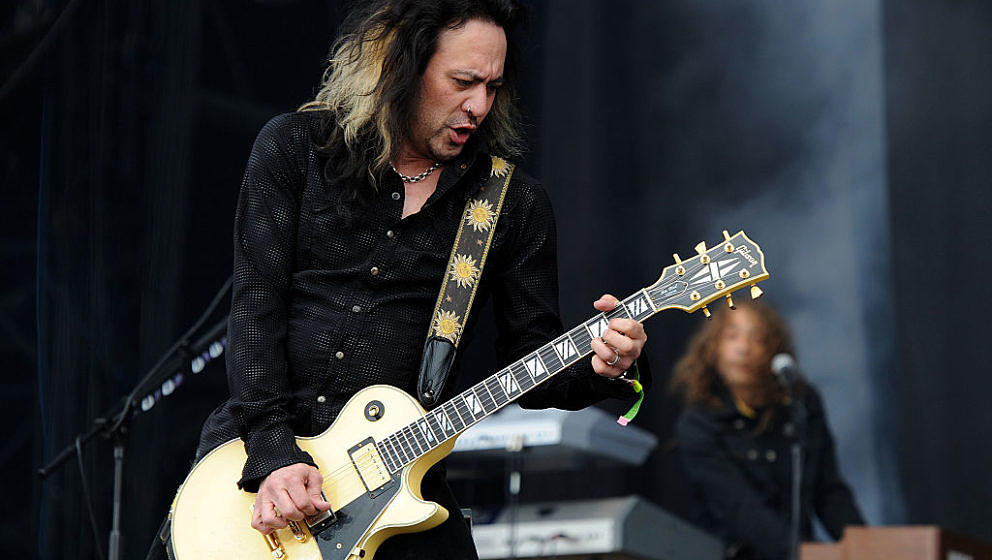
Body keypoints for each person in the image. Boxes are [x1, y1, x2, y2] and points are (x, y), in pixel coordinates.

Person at [159, 1, 648, 559]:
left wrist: (603, 362)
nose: (479, 106)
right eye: (463, 82)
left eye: (493, 86)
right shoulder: (295, 149)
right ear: (400, 67)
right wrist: (274, 454)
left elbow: (532, 363)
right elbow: (254, 312)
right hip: (255, 470)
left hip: (401, 490)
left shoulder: (512, 203)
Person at [670, 301, 863, 560]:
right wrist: (808, 554)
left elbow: (828, 491)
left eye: (757, 338)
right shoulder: (698, 423)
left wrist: (868, 547)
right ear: (712, 347)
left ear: (773, 350)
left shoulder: (800, 404)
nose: (743, 347)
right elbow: (742, 510)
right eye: (732, 336)